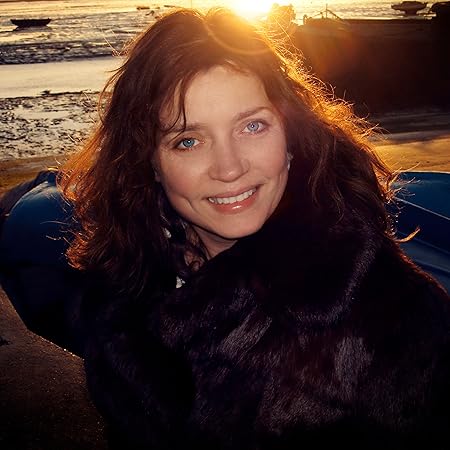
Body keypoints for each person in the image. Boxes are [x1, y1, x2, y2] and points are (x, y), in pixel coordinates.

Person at [58, 7, 450, 450]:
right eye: (188, 140)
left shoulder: (388, 312)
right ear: (148, 162)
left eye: (252, 126)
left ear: (291, 136)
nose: (229, 168)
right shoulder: (121, 290)